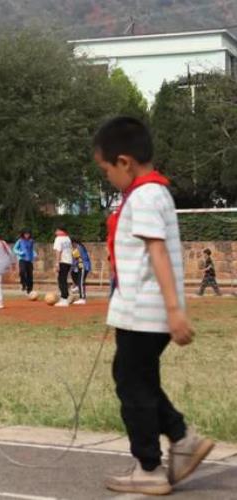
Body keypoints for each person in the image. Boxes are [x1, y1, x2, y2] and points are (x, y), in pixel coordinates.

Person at [95, 116, 213, 495]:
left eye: (106, 169)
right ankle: (183, 440)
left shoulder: (144, 196)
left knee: (133, 388)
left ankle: (149, 467)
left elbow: (157, 252)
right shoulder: (155, 192)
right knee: (137, 381)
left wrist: (175, 310)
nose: (108, 177)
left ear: (124, 162)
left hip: (144, 312)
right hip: (145, 311)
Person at [52, 227, 73, 307]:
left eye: (57, 230)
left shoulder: (58, 239)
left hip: (63, 261)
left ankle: (64, 298)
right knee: (63, 279)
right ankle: (64, 297)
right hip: (69, 261)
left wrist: (57, 263)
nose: (56, 232)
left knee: (61, 280)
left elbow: (58, 251)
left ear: (61, 231)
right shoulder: (68, 239)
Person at [12, 229, 36, 294]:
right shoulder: (20, 241)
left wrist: (34, 254)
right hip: (22, 259)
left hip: (29, 260)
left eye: (28, 234)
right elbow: (14, 249)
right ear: (23, 234)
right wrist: (20, 253)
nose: (27, 235)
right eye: (25, 234)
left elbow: (32, 249)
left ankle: (30, 289)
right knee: (22, 271)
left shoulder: (31, 241)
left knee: (30, 275)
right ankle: (23, 284)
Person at [71, 238, 91, 305]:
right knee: (73, 273)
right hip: (80, 266)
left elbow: (74, 257)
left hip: (83, 267)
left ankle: (82, 298)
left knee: (81, 282)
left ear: (74, 242)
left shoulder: (79, 248)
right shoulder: (79, 247)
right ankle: (77, 286)